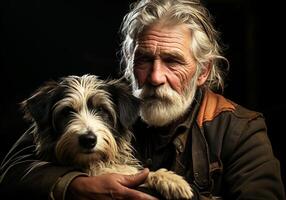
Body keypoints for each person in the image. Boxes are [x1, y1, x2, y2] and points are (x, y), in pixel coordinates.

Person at [0, 0, 285, 199]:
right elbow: (13, 169)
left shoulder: (241, 129)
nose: (156, 76)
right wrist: (75, 185)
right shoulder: (105, 102)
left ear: (203, 71)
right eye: (145, 59)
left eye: (173, 61)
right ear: (129, 63)